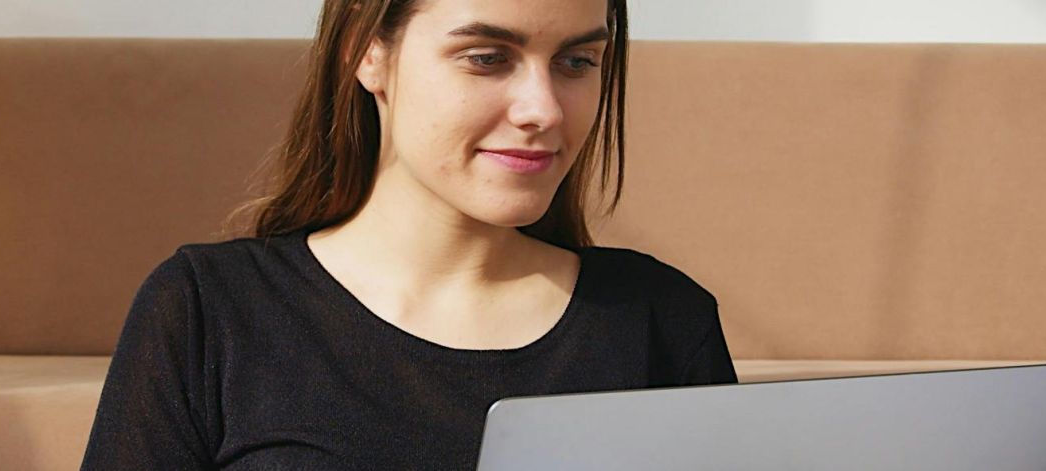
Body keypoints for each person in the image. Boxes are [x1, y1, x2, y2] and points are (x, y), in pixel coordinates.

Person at [80, 0, 736, 468]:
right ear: (368, 52)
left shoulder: (662, 320)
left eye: (576, 62)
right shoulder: (208, 309)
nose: (543, 108)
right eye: (487, 57)